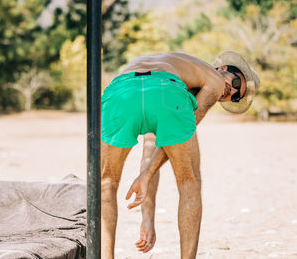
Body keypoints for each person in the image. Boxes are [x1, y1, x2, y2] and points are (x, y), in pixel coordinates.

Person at [101, 51, 260, 259]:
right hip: (165, 89)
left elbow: (151, 150)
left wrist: (147, 219)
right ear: (223, 69)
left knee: (106, 181)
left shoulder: (177, 65)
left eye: (237, 96)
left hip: (120, 90)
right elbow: (185, 129)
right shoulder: (213, 79)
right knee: (189, 179)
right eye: (237, 82)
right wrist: (147, 175)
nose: (231, 92)